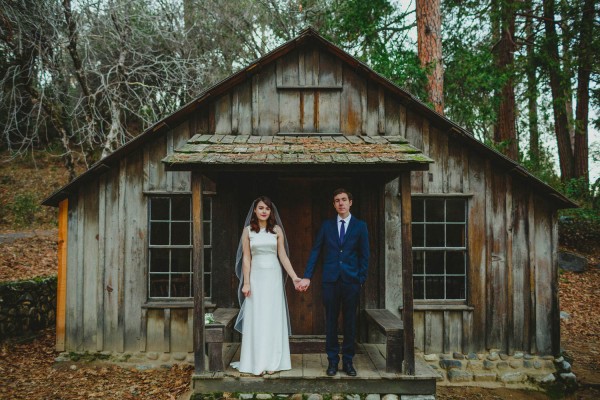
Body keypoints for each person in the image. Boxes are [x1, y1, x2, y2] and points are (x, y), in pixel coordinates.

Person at [297, 188, 369, 377]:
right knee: (330, 322)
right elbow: (315, 251)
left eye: (344, 199)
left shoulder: (360, 226)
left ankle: (348, 361)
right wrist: (307, 276)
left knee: (350, 323)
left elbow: (365, 255)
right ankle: (332, 361)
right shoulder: (327, 226)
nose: (341, 203)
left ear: (350, 202)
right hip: (330, 281)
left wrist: (360, 279)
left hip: (351, 282)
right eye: (337, 200)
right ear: (334, 204)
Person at [231, 196, 302, 376]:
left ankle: (273, 361)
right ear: (254, 210)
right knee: (257, 316)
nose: (264, 211)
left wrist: (294, 277)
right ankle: (257, 360)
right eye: (261, 208)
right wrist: (246, 282)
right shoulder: (248, 231)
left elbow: (283, 256)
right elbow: (247, 258)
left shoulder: (276, 230)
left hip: (273, 276)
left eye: (267, 209)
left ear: (271, 212)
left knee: (272, 315)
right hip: (256, 277)